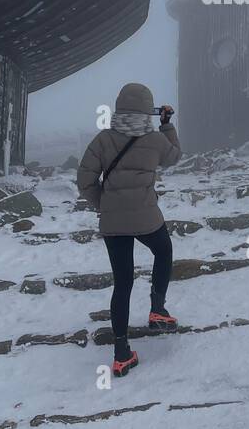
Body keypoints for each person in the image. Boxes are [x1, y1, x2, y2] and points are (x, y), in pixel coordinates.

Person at [76, 83, 182, 377]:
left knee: (122, 284)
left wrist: (104, 204)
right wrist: (167, 125)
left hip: (113, 224)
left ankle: (122, 354)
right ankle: (157, 309)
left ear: (119, 106)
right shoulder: (155, 140)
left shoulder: (102, 140)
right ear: (148, 109)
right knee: (163, 251)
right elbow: (174, 157)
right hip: (147, 218)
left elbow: (84, 180)